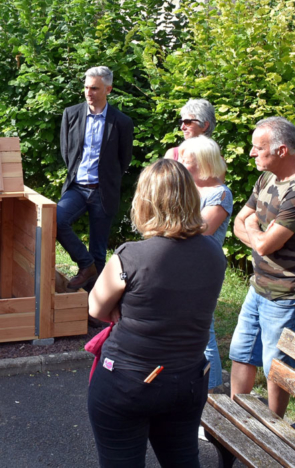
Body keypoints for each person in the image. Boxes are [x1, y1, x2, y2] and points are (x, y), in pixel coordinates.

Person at [87, 159, 225, 467]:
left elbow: (96, 308)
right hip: (188, 379)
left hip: (128, 381)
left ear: (145, 201)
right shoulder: (214, 253)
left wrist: (122, 309)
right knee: (183, 459)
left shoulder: (131, 256)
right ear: (191, 198)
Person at [230, 116, 295, 418]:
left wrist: (255, 233)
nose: (252, 154)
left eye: (259, 148)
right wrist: (257, 235)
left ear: (282, 150)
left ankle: (274, 430)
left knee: (275, 369)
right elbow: (238, 224)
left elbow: (265, 244)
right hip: (259, 287)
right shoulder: (267, 178)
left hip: (286, 294)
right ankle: (237, 421)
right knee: (241, 354)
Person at [58, 65, 135, 290]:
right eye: (86, 88)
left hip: (103, 191)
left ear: (108, 90)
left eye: (94, 88)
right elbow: (67, 151)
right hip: (77, 188)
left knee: (99, 250)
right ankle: (85, 264)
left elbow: (124, 159)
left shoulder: (121, 122)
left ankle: (92, 307)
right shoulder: (71, 114)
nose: (88, 93)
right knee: (56, 220)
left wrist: (108, 180)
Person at [167, 135, 233, 391]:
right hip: (180, 266)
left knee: (205, 332)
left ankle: (213, 393)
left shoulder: (220, 194)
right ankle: (190, 384)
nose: (180, 165)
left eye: (186, 161)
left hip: (202, 270)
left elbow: (199, 232)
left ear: (204, 162)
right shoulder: (190, 188)